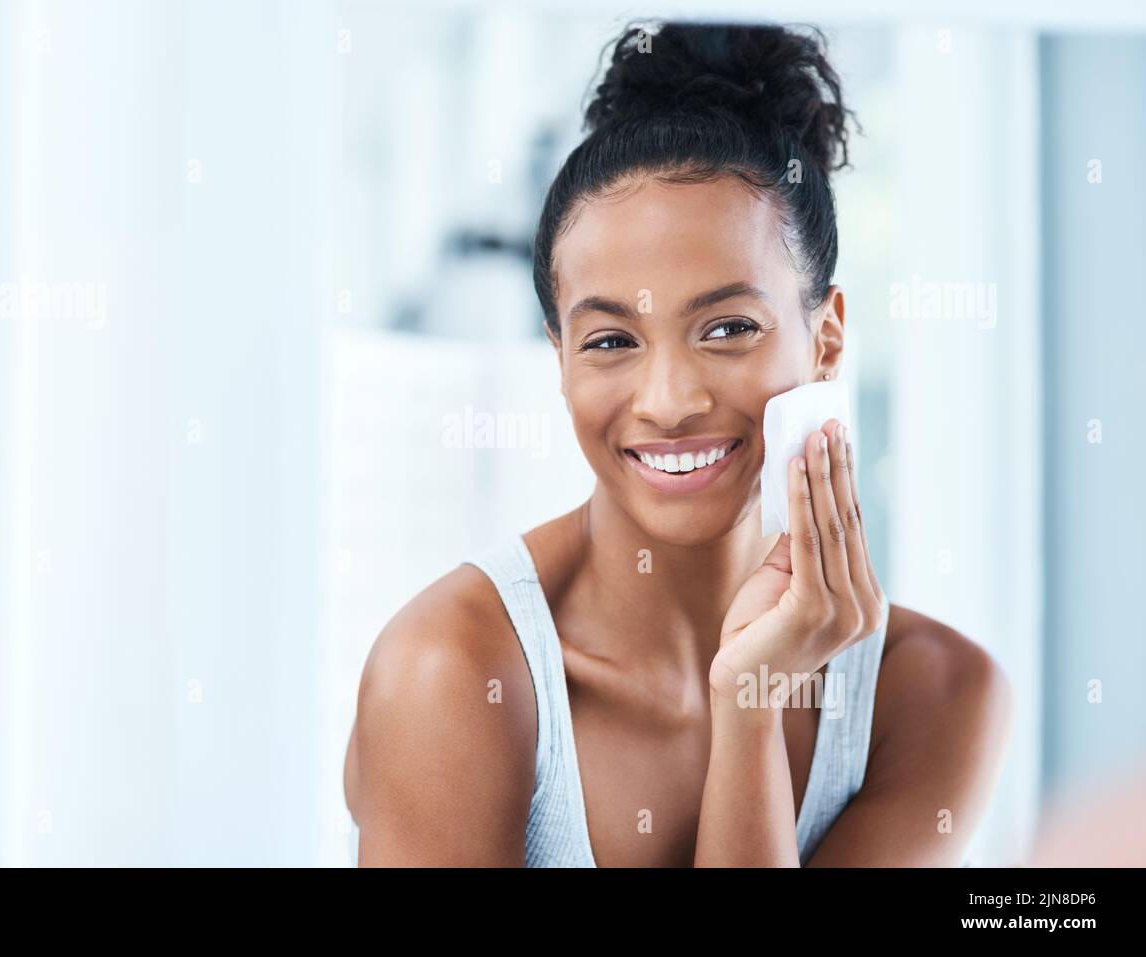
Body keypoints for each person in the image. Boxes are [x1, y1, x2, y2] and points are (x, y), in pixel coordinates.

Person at [344, 20, 1012, 866]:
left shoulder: (933, 692)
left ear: (827, 339)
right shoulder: (451, 670)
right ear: (560, 359)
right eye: (611, 340)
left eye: (728, 327)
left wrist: (747, 703)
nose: (668, 402)